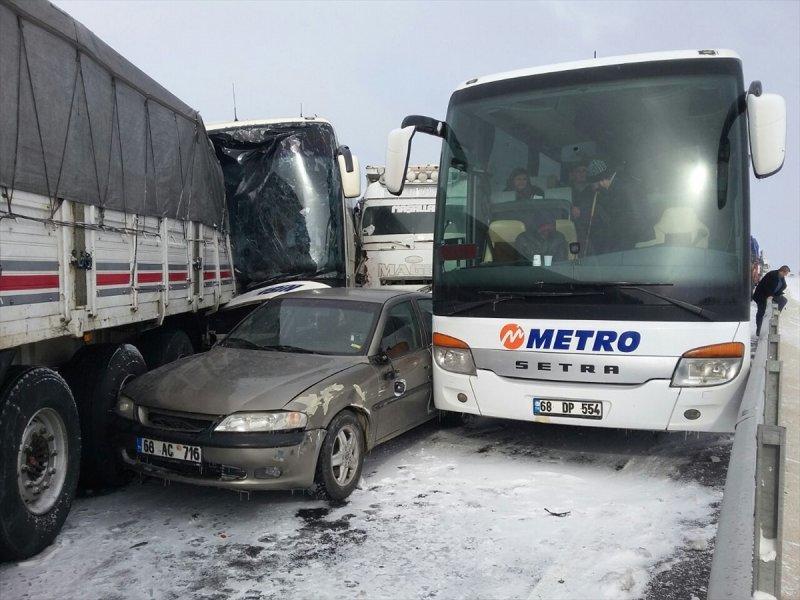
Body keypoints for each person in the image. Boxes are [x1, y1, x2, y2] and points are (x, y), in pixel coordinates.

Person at [753, 265, 790, 336]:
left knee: (783, 300)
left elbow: (783, 286)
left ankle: (776, 313)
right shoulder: (772, 274)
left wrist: (777, 294)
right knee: (761, 312)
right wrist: (769, 295)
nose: (786, 275)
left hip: (772, 295)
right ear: (781, 271)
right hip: (761, 295)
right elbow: (764, 285)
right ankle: (759, 330)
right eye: (785, 273)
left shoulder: (781, 277)